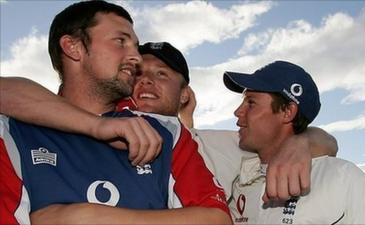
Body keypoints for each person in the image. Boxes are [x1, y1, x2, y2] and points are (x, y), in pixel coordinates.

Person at [0, 1, 232, 224]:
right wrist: (96, 125)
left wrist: (86, 218)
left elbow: (217, 219)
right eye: (121, 41)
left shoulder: (166, 132)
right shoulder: (12, 133)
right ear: (74, 47)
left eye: (135, 46)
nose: (136, 57)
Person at [222, 60, 365, 224]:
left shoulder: (341, 176)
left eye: (251, 103)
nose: (237, 112)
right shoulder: (239, 182)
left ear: (288, 112)